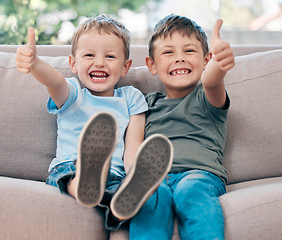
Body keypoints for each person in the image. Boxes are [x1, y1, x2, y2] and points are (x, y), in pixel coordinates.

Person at [15, 14, 173, 230]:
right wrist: (35, 65)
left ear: (125, 67)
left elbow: (133, 147)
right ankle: (84, 184)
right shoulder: (73, 93)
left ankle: (117, 208)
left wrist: (136, 173)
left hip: (115, 173)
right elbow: (54, 82)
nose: (99, 62)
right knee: (70, 176)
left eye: (110, 56)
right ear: (73, 63)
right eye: (89, 55)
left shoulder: (131, 98)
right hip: (70, 165)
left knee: (125, 195)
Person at [129, 14, 235, 240]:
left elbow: (212, 81)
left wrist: (219, 63)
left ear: (205, 61)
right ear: (152, 65)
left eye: (189, 51)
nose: (179, 58)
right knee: (150, 198)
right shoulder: (146, 104)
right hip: (154, 178)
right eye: (168, 52)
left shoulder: (206, 98)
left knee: (191, 191)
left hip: (199, 175)